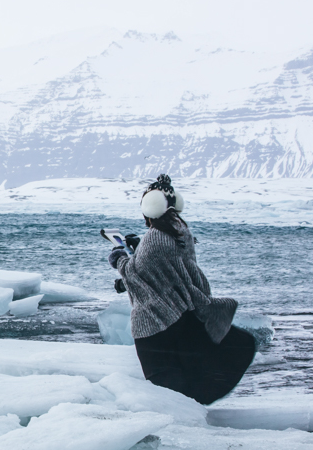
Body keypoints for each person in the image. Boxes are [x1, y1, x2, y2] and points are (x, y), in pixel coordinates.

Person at [108, 174, 255, 405]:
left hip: (155, 323)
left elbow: (135, 272)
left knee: (166, 391)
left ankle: (184, 426)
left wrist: (119, 257)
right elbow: (165, 266)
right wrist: (138, 247)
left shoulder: (154, 238)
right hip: (179, 314)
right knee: (185, 376)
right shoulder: (179, 229)